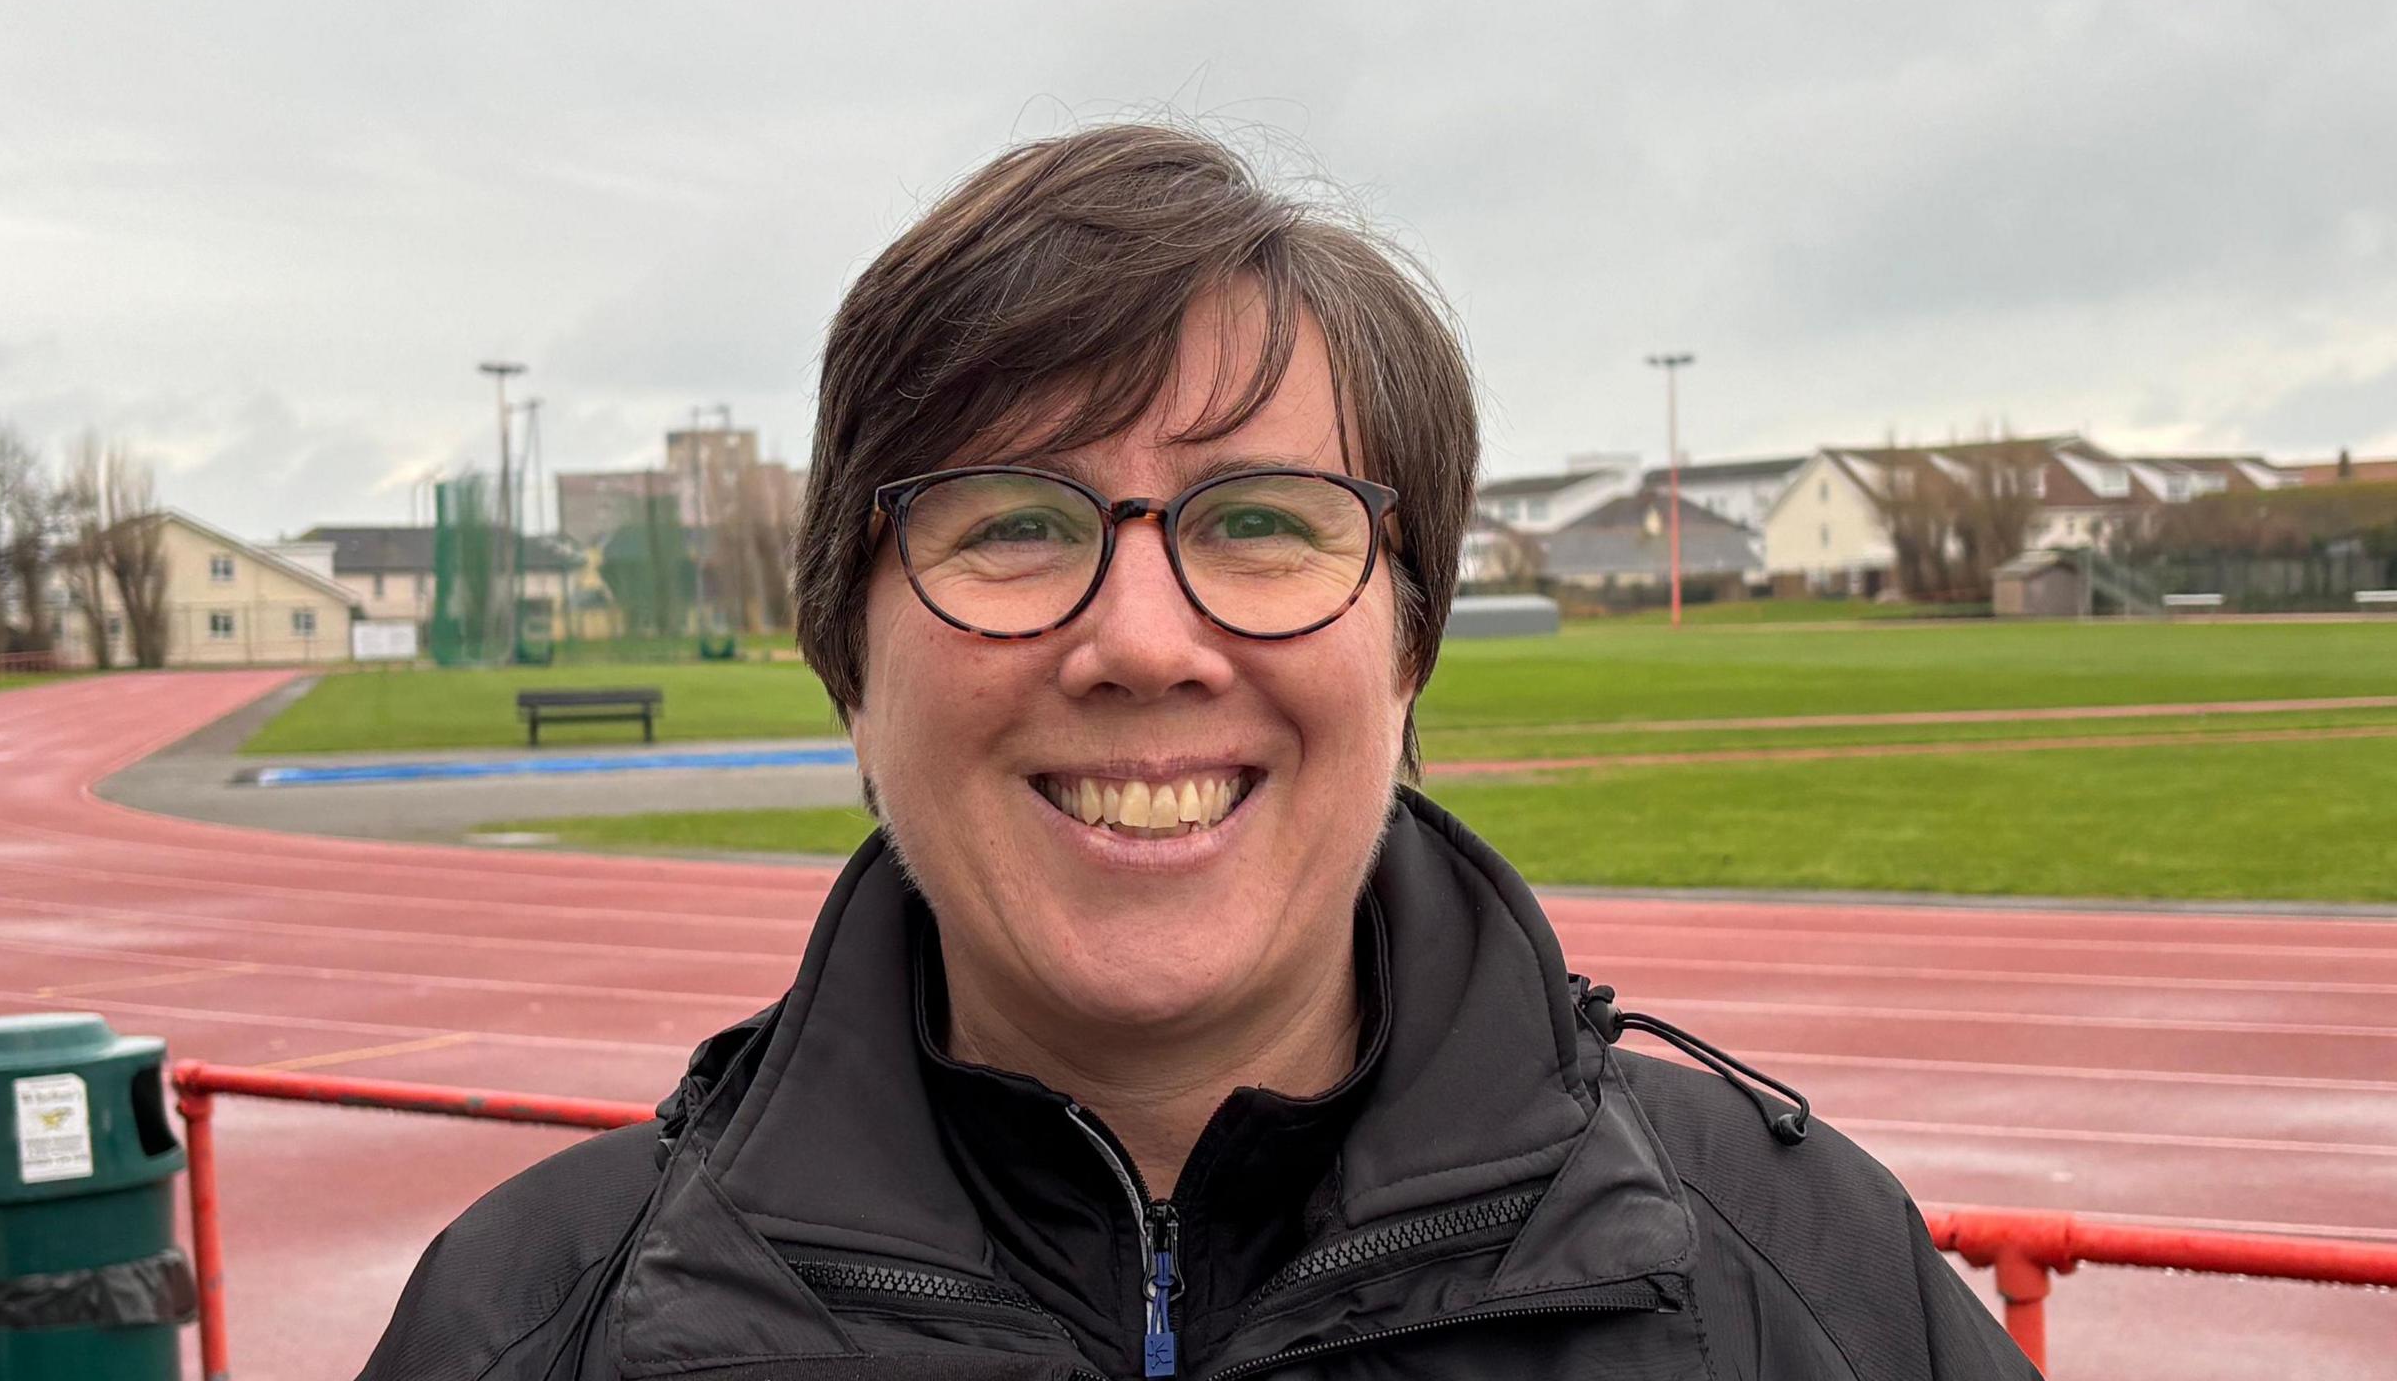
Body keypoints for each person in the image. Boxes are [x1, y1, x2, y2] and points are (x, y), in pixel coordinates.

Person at [359, 125, 2037, 1380]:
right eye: (1013, 522)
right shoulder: (528, 1327)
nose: (1146, 642)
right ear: (847, 660)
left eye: (1261, 523)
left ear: (1408, 647)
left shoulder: (1803, 1284)